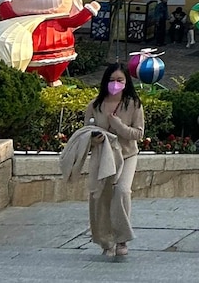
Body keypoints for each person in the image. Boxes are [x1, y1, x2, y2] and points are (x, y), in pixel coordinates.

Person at [78, 63, 144, 258]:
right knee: (101, 197)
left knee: (122, 191)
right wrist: (93, 139)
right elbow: (85, 132)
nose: (115, 84)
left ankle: (122, 238)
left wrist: (118, 124)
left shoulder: (133, 104)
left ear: (126, 82)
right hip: (103, 157)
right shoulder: (95, 105)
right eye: (111, 80)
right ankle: (106, 241)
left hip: (126, 155)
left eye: (119, 80)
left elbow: (137, 134)